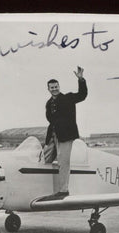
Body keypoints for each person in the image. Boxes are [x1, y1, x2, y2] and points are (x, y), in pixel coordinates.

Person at [41, 66, 88, 200]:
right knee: (43, 159)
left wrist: (81, 80)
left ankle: (63, 190)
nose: (54, 89)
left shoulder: (68, 98)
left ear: (59, 87)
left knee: (63, 162)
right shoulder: (49, 103)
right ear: (48, 89)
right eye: (52, 87)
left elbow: (82, 95)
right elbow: (50, 119)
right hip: (53, 136)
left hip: (66, 136)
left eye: (56, 87)